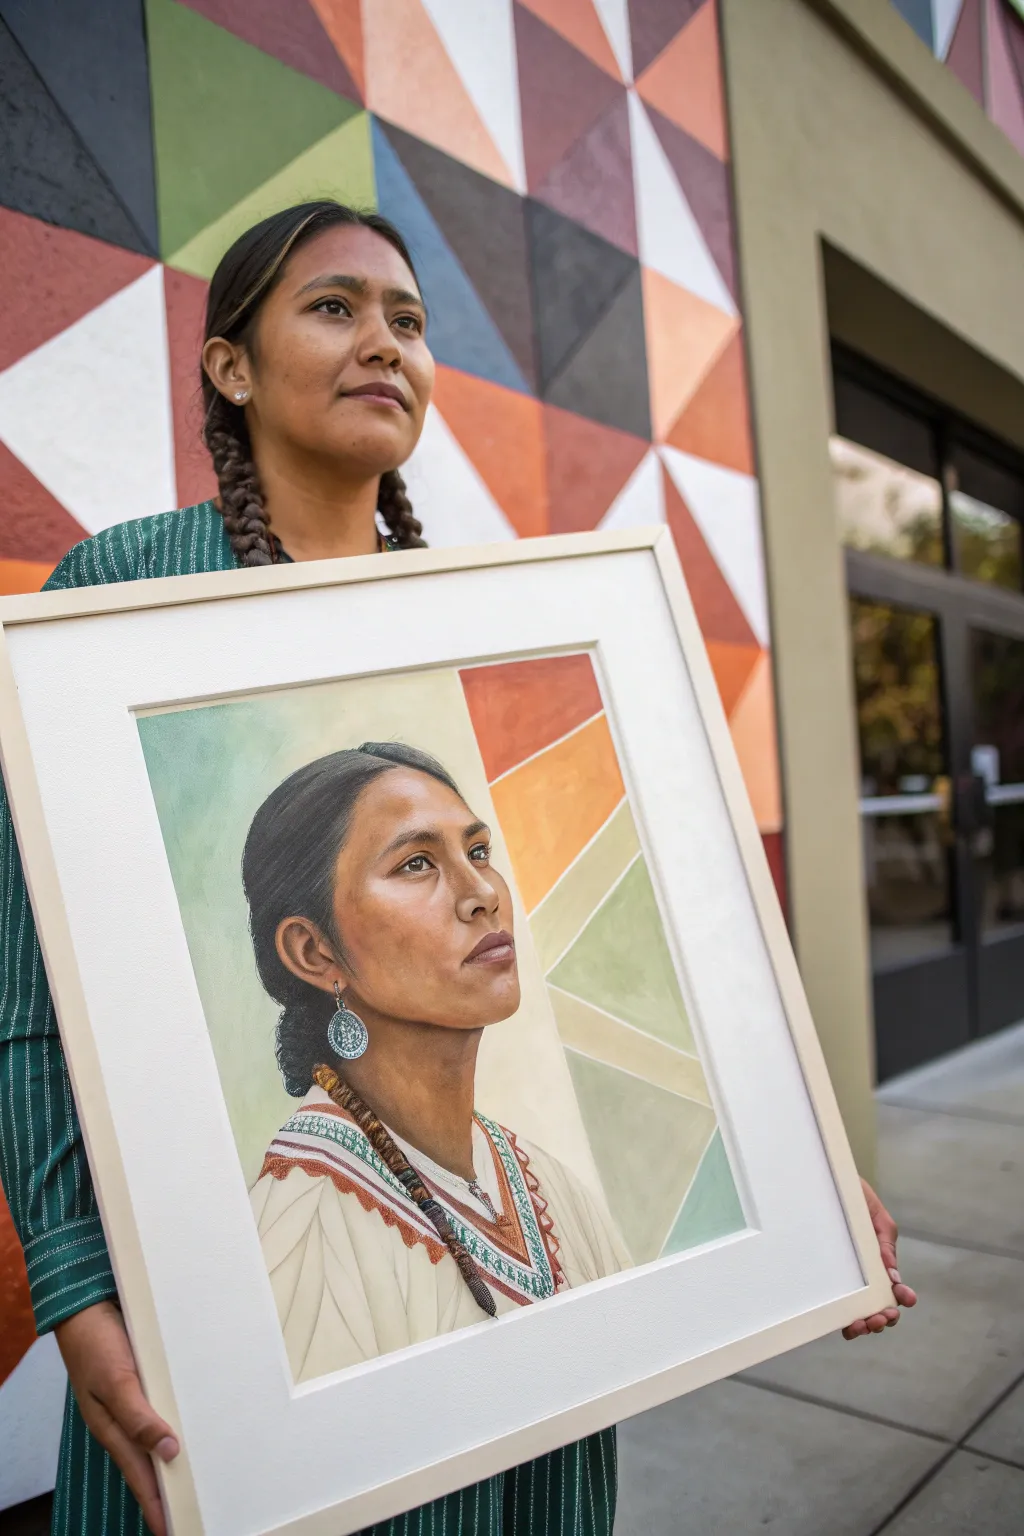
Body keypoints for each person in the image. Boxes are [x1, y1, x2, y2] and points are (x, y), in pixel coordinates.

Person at [0, 200, 917, 1536]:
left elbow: (682, 955)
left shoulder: (486, 622)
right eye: (334, 307)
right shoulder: (121, 597)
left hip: (521, 1430)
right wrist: (79, 1302)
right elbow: (32, 1000)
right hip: (228, 1381)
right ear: (231, 366)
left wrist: (800, 1177)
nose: (384, 341)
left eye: (409, 320)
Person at [244, 742, 630, 1381]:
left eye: (478, 851)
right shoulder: (305, 1226)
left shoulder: (535, 1179)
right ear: (314, 952)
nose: (482, 892)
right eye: (417, 863)